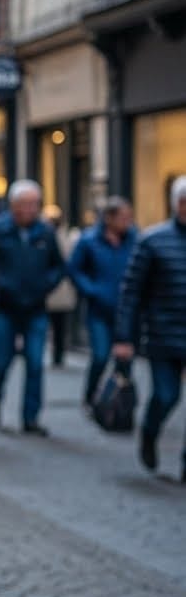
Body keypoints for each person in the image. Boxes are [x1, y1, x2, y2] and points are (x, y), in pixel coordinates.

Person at [0, 180, 65, 436]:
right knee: (1, 361)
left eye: (33, 204)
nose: (28, 209)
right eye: (23, 204)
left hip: (35, 308)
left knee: (35, 363)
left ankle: (30, 417)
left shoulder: (46, 232)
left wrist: (45, 286)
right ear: (12, 205)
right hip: (4, 307)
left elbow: (58, 266)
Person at [114, 176, 186, 479]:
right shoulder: (153, 240)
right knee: (167, 396)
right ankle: (149, 430)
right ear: (177, 204)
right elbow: (131, 293)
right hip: (163, 336)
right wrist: (124, 338)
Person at [68, 197, 137, 407]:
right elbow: (74, 269)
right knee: (100, 356)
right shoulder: (89, 241)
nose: (127, 222)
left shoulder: (135, 240)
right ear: (109, 218)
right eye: (123, 217)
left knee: (125, 360)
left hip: (127, 310)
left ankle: (120, 402)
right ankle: (91, 397)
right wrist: (91, 290)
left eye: (129, 217)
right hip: (99, 309)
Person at [42, 205, 80, 366]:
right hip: (54, 287)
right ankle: (58, 352)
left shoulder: (68, 237)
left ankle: (58, 352)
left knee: (58, 323)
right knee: (57, 323)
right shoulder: (60, 236)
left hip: (60, 286)